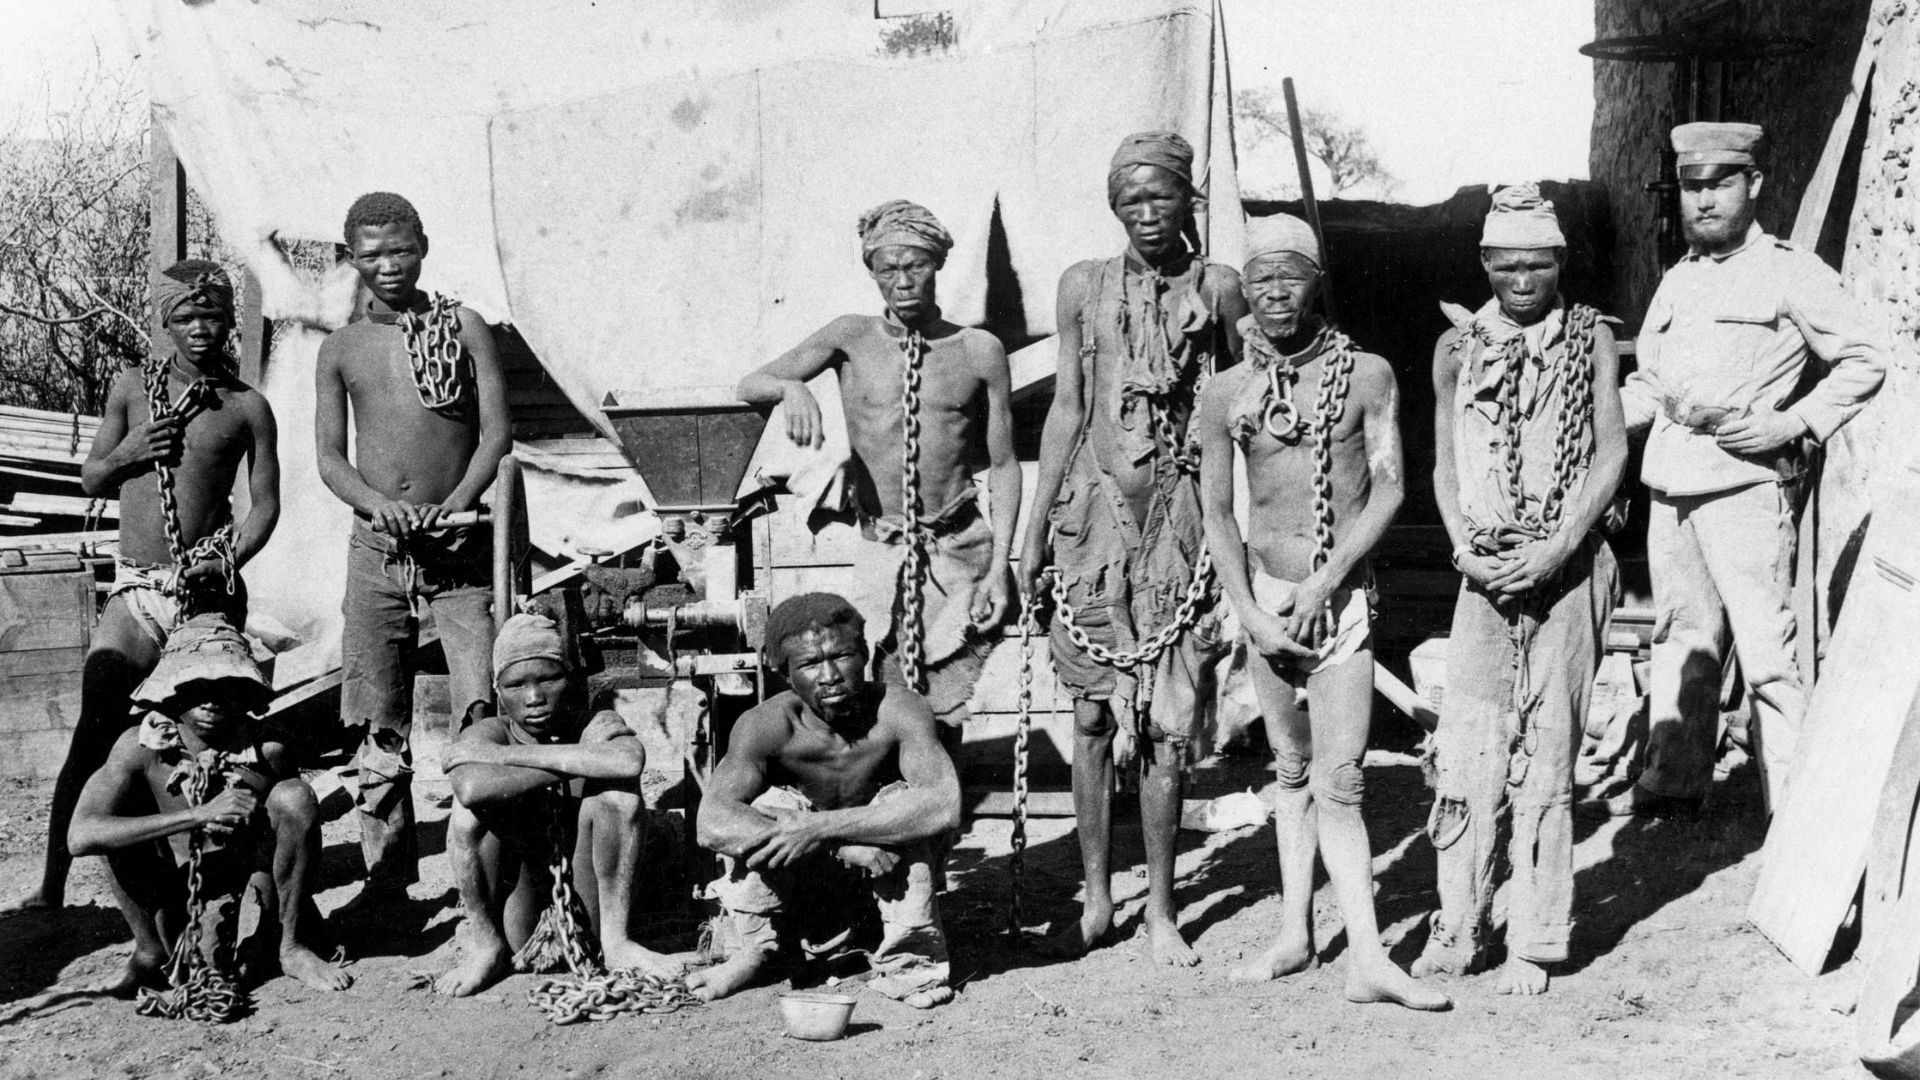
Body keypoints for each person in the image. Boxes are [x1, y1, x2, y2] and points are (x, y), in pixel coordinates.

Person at [1590, 123, 1888, 818]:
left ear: (1753, 184)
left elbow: (1865, 359)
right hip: (1672, 481)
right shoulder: (1678, 280)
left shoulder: (1791, 272)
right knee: (1680, 635)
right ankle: (1671, 783)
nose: (1703, 201)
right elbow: (1650, 388)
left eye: (1719, 184)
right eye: (1691, 187)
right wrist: (1591, 424)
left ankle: (1797, 811)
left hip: (1745, 485)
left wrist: (1794, 422)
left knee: (1768, 654)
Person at [1194, 214, 1447, 1010]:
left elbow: (1390, 487)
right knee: (1290, 771)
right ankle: (1293, 936)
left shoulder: (1366, 375)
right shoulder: (1225, 391)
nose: (1275, 292)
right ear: (1244, 288)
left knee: (1342, 780)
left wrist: (1325, 582)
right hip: (1267, 602)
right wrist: (1250, 611)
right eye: (1260, 277)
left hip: (1338, 601)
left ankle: (1368, 958)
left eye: (1291, 276)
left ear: (1316, 283)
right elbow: (1216, 511)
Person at [1018, 130, 1246, 964]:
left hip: (1179, 522)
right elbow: (1067, 408)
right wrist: (1033, 530)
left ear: (1190, 198)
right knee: (1090, 715)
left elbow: (1247, 397)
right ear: (1113, 205)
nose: (1147, 213)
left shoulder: (1220, 286)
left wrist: (1232, 530)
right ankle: (1096, 894)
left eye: (1162, 196)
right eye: (1131, 199)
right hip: (1091, 520)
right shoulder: (1082, 285)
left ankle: (1162, 909)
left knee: (1165, 726)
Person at [6, 260, 280, 917]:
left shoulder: (247, 406)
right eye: (185, 317)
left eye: (211, 316)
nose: (199, 329)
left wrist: (228, 558)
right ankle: (51, 883)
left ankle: (238, 876)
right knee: (96, 728)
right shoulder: (132, 388)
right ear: (165, 323)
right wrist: (130, 453)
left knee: (215, 736)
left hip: (207, 593)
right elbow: (92, 477)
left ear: (228, 322)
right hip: (137, 589)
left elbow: (266, 506)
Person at [1412, 186, 1627, 996]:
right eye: (1506, 267)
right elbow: (1444, 463)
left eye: (1538, 265)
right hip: (1486, 571)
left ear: (1560, 261)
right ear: (1484, 264)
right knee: (1469, 748)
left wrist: (1560, 546)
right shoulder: (1456, 346)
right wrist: (1464, 551)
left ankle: (1534, 939)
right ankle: (1458, 925)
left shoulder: (1590, 337)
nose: (1523, 281)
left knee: (1548, 750)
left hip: (1568, 566)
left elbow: (1610, 452)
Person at [737, 199, 1020, 751]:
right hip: (882, 547)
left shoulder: (979, 351)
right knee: (879, 687)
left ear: (937, 265)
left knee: (946, 697)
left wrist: (998, 568)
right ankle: (897, 795)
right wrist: (792, 388)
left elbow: (1005, 464)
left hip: (959, 547)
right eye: (888, 268)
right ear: (872, 271)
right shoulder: (850, 337)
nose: (903, 281)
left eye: (915, 265)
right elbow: (751, 383)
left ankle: (944, 797)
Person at [316, 191, 512, 904]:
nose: (389, 265)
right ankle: (385, 885)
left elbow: (496, 434)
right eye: (371, 255)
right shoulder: (341, 347)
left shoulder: (463, 327)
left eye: (400, 250)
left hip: (459, 547)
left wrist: (456, 504)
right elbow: (331, 459)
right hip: (378, 548)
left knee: (483, 705)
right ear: (353, 260)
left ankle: (490, 875)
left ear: (423, 247)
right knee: (377, 720)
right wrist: (381, 506)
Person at [690, 593, 960, 1009]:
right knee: (774, 805)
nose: (830, 676)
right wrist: (839, 844)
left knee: (902, 801)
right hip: (803, 884)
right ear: (783, 673)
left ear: (865, 655)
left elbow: (943, 804)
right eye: (811, 664)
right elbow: (712, 823)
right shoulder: (766, 726)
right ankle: (754, 951)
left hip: (885, 874)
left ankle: (911, 964)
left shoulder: (899, 710)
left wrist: (817, 828)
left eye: (842, 656)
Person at [67, 616, 349, 1000]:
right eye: (196, 687)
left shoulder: (269, 749)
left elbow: (294, 838)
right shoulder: (140, 746)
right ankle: (149, 952)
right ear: (171, 692)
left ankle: (291, 947)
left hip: (244, 886)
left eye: (225, 686)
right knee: (115, 829)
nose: (211, 701)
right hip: (173, 889)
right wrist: (198, 815)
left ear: (244, 693)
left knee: (295, 797)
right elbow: (81, 835)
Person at [434, 613, 677, 996]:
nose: (533, 698)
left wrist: (505, 759)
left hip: (589, 905)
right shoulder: (489, 731)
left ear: (570, 678)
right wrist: (580, 759)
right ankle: (486, 947)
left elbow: (628, 761)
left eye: (548, 679)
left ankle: (618, 944)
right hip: (524, 914)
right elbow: (470, 787)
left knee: (619, 794)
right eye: (516, 685)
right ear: (498, 691)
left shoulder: (596, 721)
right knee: (467, 813)